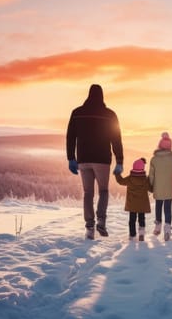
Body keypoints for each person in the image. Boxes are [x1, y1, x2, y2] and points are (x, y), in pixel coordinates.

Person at [66, 84, 123, 240]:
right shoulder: (110, 115)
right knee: (103, 191)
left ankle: (89, 227)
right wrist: (119, 160)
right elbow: (116, 139)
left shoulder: (77, 113)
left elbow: (70, 137)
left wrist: (71, 158)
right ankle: (101, 222)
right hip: (102, 159)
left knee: (88, 193)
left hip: (83, 160)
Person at [114, 158, 152, 241]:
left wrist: (117, 174)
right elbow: (151, 189)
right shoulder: (145, 179)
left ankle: (132, 234)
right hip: (142, 204)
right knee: (142, 218)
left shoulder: (130, 178)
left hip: (132, 204)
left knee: (132, 220)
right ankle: (141, 233)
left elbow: (120, 181)